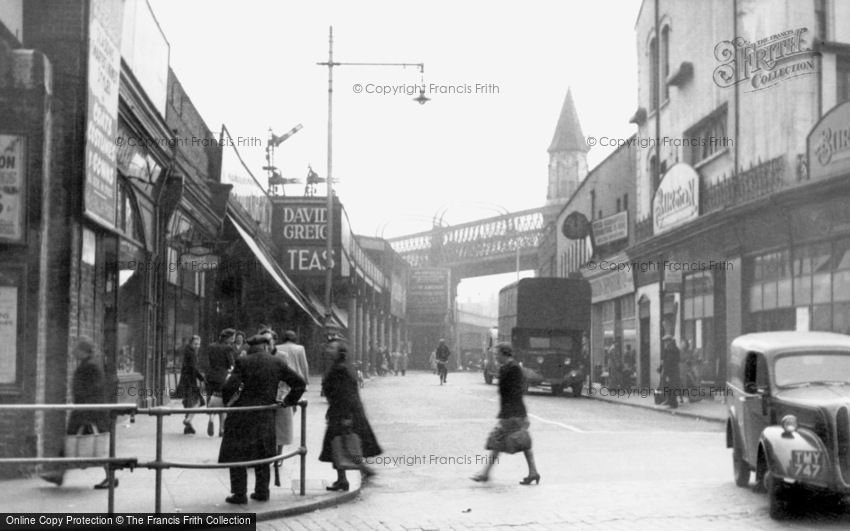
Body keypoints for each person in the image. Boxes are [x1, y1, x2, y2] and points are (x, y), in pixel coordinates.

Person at [218, 334, 306, 504]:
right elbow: (299, 383)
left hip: (243, 415)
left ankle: (239, 493)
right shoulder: (277, 362)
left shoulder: (243, 362)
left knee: (238, 454)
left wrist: (228, 403)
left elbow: (229, 387)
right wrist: (288, 401)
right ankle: (262, 491)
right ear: (266, 346)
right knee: (263, 453)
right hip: (266, 414)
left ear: (251, 347)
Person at [41, 337, 117, 489]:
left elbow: (94, 389)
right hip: (87, 411)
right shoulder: (89, 364)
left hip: (89, 412)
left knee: (95, 445)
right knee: (86, 444)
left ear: (83, 351)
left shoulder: (90, 366)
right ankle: (59, 473)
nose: (73, 351)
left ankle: (60, 473)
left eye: (76, 348)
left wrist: (84, 409)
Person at [471, 343, 540, 485]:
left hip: (513, 412)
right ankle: (533, 472)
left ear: (504, 354)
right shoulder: (506, 368)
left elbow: (516, 391)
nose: (495, 356)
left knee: (497, 440)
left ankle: (485, 473)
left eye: (497, 354)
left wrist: (511, 413)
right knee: (523, 442)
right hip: (513, 412)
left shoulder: (513, 368)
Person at [319, 341, 381, 491]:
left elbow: (345, 395)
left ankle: (349, 476)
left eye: (332, 347)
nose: (328, 349)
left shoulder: (340, 369)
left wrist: (346, 417)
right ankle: (348, 476)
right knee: (341, 445)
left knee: (340, 445)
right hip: (342, 412)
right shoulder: (342, 367)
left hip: (343, 413)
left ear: (339, 352)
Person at [272, 330, 309, 458]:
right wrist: (306, 380)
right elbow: (304, 364)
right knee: (289, 408)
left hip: (281, 380)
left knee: (281, 410)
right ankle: (286, 430)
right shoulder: (300, 348)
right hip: (295, 378)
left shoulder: (277, 348)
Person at [203, 328, 237, 437]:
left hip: (210, 376)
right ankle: (222, 428)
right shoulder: (228, 348)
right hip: (222, 377)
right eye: (233, 337)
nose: (234, 339)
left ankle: (211, 418)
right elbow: (231, 364)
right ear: (229, 337)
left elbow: (208, 361)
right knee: (222, 402)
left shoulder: (211, 346)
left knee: (211, 400)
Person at [176, 335, 205, 434]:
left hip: (185, 380)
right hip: (190, 381)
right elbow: (193, 368)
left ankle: (188, 426)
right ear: (191, 343)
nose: (197, 346)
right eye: (195, 344)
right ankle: (188, 420)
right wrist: (201, 378)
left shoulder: (188, 351)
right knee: (198, 401)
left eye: (199, 344)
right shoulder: (192, 353)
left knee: (188, 402)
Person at [660, 335, 681, 409]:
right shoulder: (673, 349)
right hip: (672, 371)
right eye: (665, 341)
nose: (665, 343)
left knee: (670, 386)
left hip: (671, 371)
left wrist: (666, 372)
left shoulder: (671, 349)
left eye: (666, 341)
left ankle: (673, 403)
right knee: (669, 386)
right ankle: (670, 401)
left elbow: (669, 362)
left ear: (669, 341)